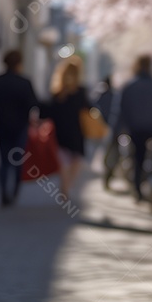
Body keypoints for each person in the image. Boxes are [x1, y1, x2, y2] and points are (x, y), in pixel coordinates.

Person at [0, 49, 39, 207]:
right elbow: (34, 103)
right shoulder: (24, 82)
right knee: (19, 160)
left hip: (2, 125)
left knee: (4, 161)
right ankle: (14, 192)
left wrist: (2, 105)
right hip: (20, 127)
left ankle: (3, 193)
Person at [117, 55, 152, 202]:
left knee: (138, 159)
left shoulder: (129, 87)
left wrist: (122, 128)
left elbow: (122, 110)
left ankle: (138, 189)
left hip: (136, 128)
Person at [42, 55, 90, 201]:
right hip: (76, 132)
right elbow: (88, 108)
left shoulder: (57, 93)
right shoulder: (80, 92)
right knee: (76, 160)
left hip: (59, 131)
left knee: (63, 161)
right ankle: (67, 186)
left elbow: (48, 112)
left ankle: (64, 186)